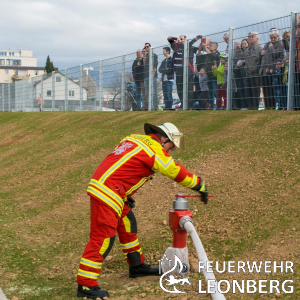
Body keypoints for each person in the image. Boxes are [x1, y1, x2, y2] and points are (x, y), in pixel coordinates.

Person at [76, 122, 209, 299]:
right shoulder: (153, 149)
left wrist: (126, 192)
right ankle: (86, 285)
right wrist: (198, 184)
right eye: (171, 146)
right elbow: (173, 170)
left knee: (127, 223)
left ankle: (137, 266)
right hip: (109, 190)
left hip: (112, 188)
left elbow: (123, 165)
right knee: (103, 238)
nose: (170, 151)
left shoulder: (133, 139)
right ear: (164, 138)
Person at [167, 35, 201, 108]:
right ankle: (183, 104)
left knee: (189, 89)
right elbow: (169, 39)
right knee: (180, 89)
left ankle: (189, 105)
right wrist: (177, 39)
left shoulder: (190, 46)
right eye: (180, 38)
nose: (181, 40)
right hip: (178, 71)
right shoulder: (176, 46)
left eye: (183, 38)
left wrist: (195, 40)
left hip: (188, 71)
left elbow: (192, 47)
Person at [236, 32, 262, 109]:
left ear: (257, 38)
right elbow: (242, 58)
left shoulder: (260, 49)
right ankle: (250, 109)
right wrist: (238, 50)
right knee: (248, 92)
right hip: (247, 74)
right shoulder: (247, 50)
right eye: (249, 36)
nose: (250, 38)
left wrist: (256, 69)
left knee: (255, 93)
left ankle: (254, 109)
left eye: (252, 36)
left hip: (256, 74)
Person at [259, 28, 284, 109]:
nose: (273, 39)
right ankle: (267, 106)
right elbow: (262, 52)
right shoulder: (268, 43)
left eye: (274, 37)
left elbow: (276, 55)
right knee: (266, 89)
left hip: (273, 70)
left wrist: (270, 48)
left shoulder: (280, 44)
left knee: (272, 89)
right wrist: (262, 53)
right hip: (265, 70)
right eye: (271, 37)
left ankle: (273, 106)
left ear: (278, 36)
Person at [201, 41, 220, 109]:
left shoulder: (217, 54)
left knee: (216, 92)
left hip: (214, 76)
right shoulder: (208, 55)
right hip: (208, 75)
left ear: (215, 47)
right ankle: (211, 106)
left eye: (211, 45)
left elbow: (214, 56)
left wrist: (206, 48)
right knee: (210, 93)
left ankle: (218, 106)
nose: (209, 47)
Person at [143, 43, 159, 110]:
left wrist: (152, 76)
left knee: (153, 91)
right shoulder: (146, 57)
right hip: (146, 76)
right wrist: (144, 57)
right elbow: (144, 66)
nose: (146, 48)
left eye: (147, 46)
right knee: (147, 92)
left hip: (152, 76)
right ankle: (149, 106)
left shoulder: (154, 56)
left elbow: (155, 66)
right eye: (145, 47)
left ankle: (155, 106)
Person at [234, 39, 249, 109]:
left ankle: (246, 105)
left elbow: (246, 58)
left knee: (245, 89)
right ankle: (242, 106)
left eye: (245, 43)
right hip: (239, 73)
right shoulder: (240, 51)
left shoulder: (249, 50)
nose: (243, 45)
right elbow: (241, 57)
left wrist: (243, 61)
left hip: (246, 73)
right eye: (242, 44)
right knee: (240, 89)